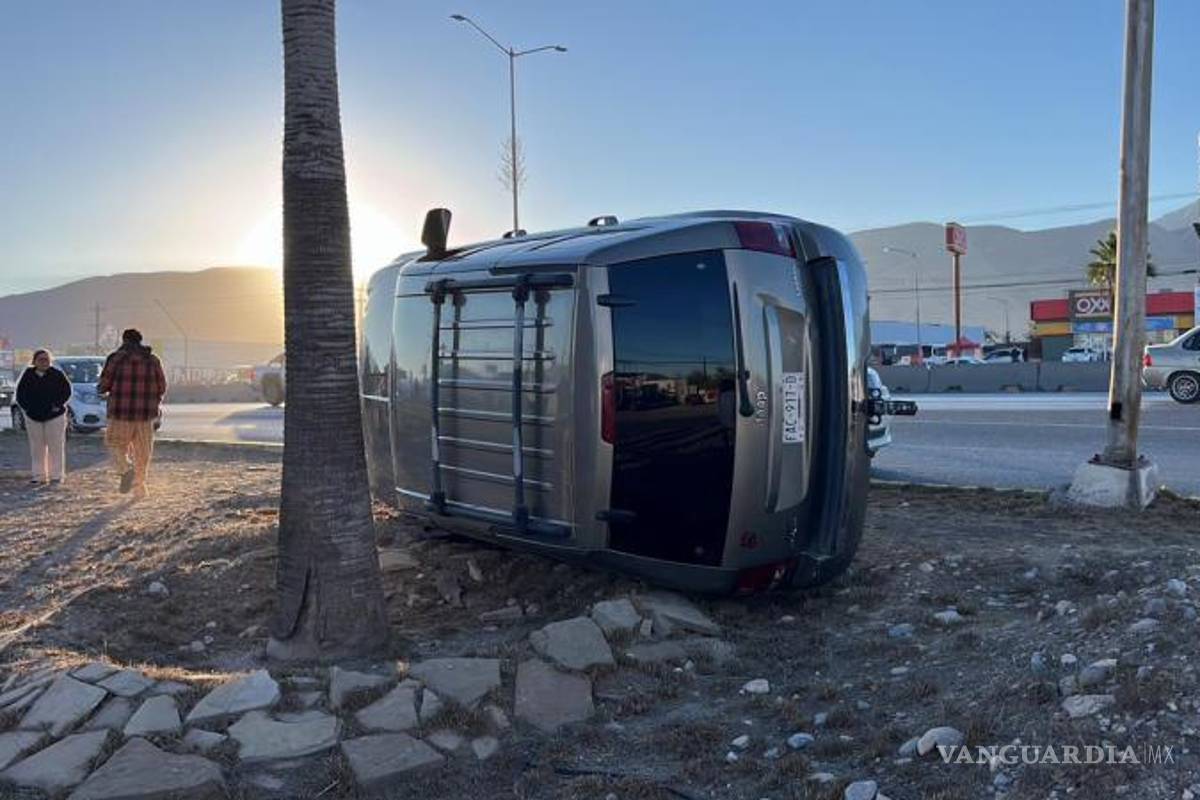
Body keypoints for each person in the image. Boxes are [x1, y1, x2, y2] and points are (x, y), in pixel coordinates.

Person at [99, 329, 167, 499]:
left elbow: (104, 385)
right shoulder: (153, 360)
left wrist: (101, 389)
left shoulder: (116, 358)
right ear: (140, 341)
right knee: (143, 452)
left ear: (124, 340)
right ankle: (139, 488)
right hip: (145, 415)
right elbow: (162, 386)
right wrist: (154, 402)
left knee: (115, 444)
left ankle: (125, 469)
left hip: (120, 412)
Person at [15, 349, 73, 485]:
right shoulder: (28, 375)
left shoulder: (57, 374)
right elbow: (20, 395)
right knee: (37, 448)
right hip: (33, 416)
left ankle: (56, 475)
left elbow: (67, 391)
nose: (44, 362)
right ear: (34, 361)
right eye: (41, 359)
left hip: (54, 416)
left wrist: (58, 405)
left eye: (46, 359)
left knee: (56, 446)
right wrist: (27, 409)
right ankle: (38, 475)